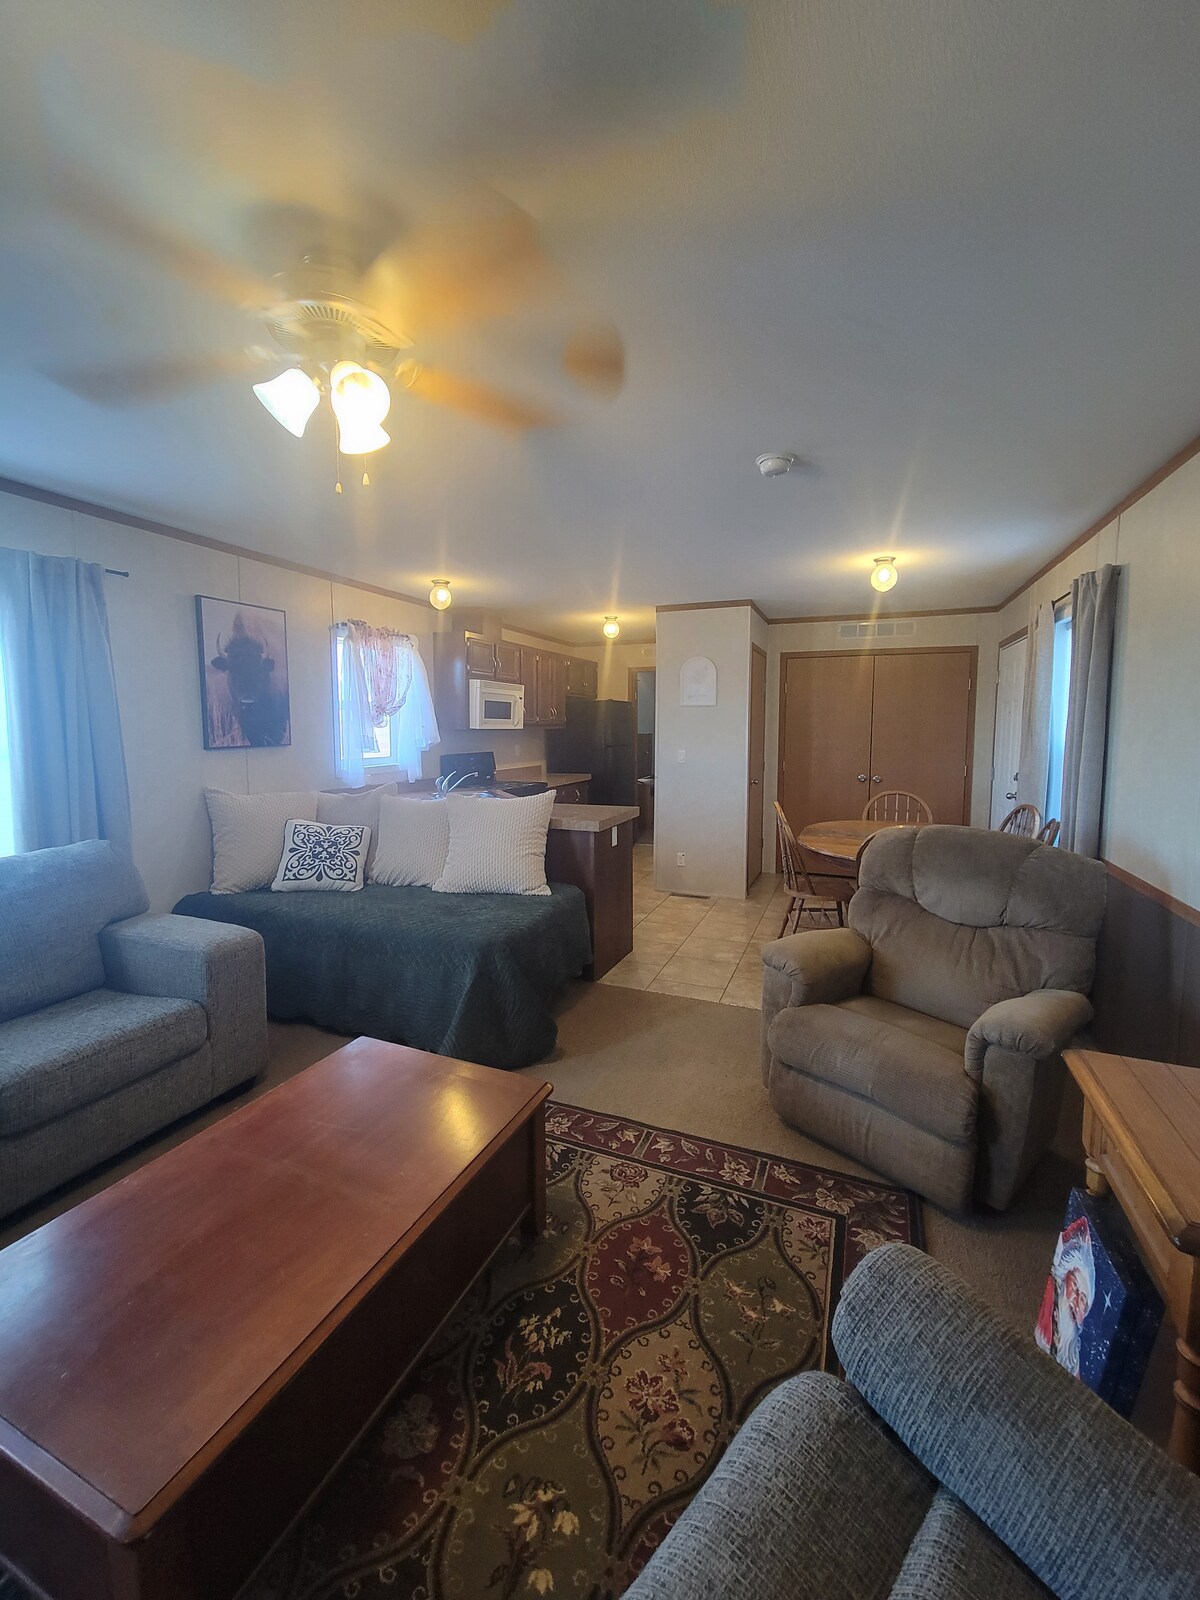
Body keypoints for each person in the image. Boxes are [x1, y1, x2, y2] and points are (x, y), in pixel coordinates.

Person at [1035, 1214, 1096, 1377]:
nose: (1075, 1297)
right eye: (1075, 1285)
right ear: (1067, 1277)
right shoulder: (1054, 1291)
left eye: (1082, 1298)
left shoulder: (1072, 1351)